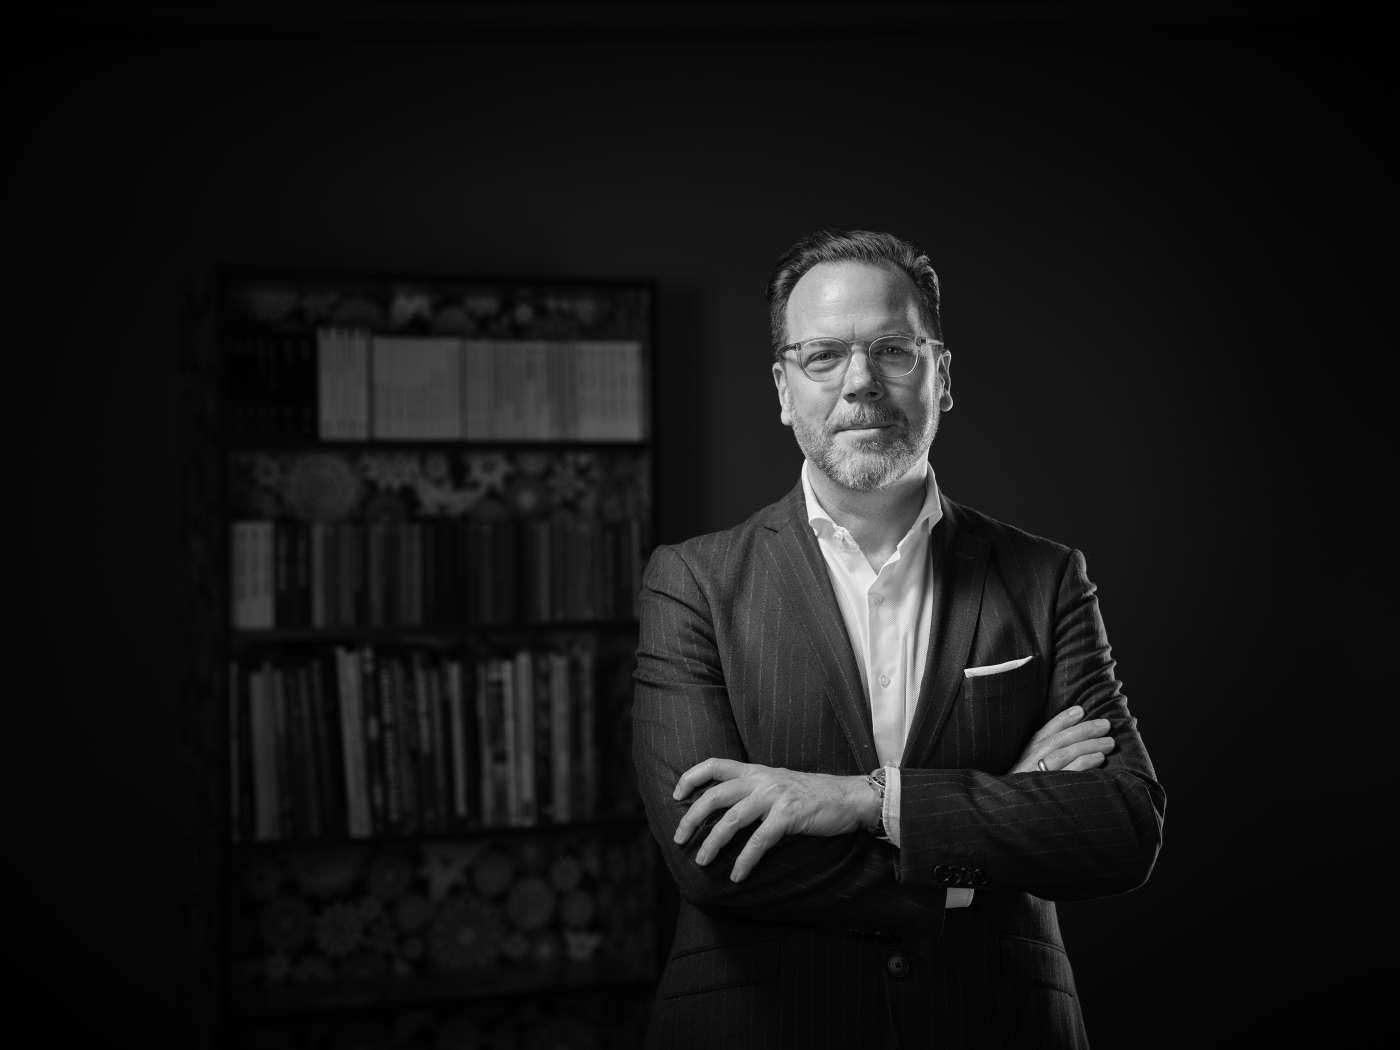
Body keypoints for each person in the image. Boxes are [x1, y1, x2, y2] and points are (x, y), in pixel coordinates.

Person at [631, 229, 1165, 1049]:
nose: (861, 382)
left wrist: (870, 800)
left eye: (892, 350)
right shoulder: (692, 582)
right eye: (823, 356)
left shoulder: (1045, 577)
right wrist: (991, 830)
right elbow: (713, 857)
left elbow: (1120, 829)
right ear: (783, 389)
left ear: (940, 376)